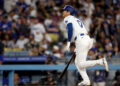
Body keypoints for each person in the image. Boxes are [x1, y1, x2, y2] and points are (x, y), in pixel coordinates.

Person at [62, 5, 109, 86]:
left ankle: (101, 61)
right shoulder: (76, 19)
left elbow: (70, 29)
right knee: (77, 62)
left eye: (64, 10)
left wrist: (69, 42)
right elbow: (75, 33)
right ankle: (86, 80)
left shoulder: (68, 18)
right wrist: (76, 45)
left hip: (81, 40)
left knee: (80, 63)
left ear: (68, 12)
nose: (63, 12)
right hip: (86, 39)